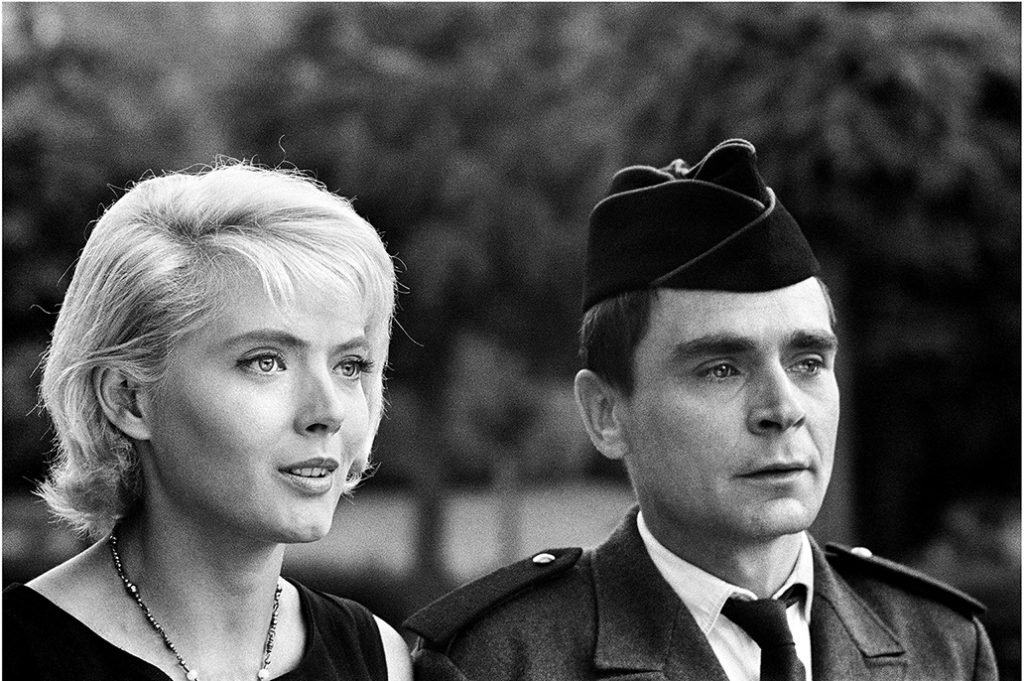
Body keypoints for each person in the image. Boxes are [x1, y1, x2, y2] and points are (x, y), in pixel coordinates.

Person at [404, 139, 999, 680]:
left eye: (808, 362)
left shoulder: (944, 646)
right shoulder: (499, 662)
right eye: (721, 369)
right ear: (607, 414)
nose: (782, 409)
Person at [3, 162, 413, 681]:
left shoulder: (380, 659)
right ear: (128, 398)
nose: (328, 412)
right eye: (266, 362)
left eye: (350, 365)